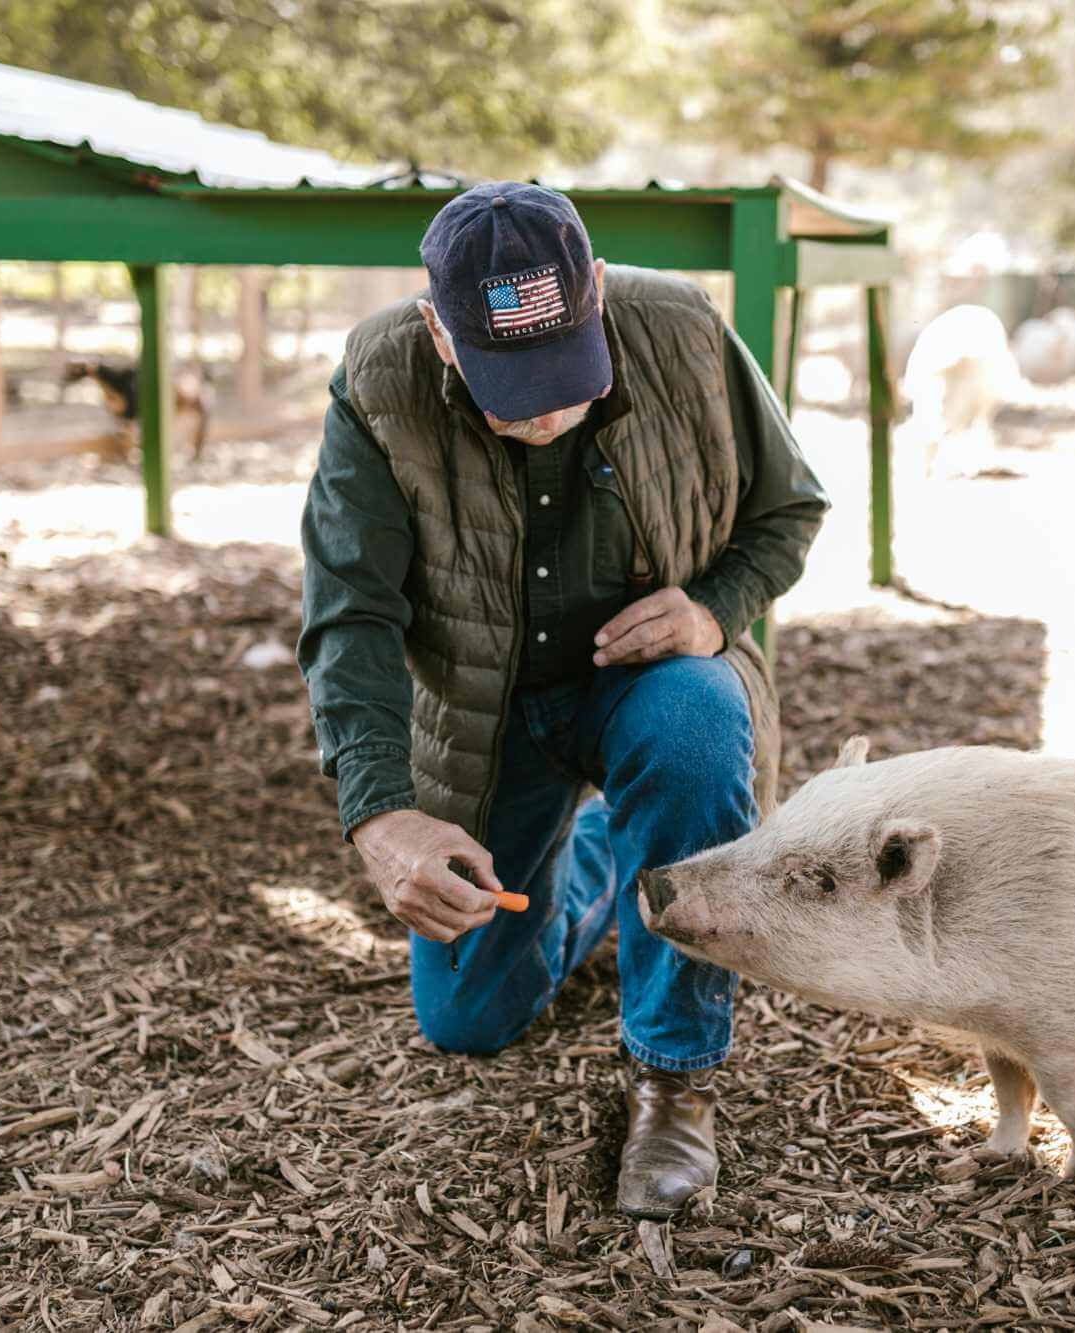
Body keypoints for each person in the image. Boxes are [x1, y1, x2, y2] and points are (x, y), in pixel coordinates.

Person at [298, 182, 827, 1217]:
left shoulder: (678, 325)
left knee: (692, 724)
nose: (544, 408)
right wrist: (382, 815)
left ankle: (675, 1077)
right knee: (466, 1021)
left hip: (651, 685)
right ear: (438, 334)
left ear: (590, 293)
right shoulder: (376, 379)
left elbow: (788, 508)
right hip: (484, 718)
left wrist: (714, 610)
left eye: (562, 372)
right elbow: (348, 614)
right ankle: (602, 859)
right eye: (510, 381)